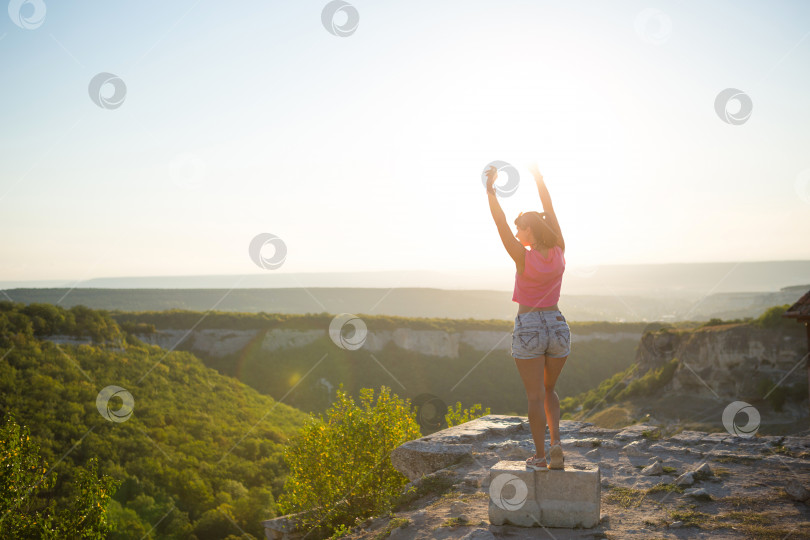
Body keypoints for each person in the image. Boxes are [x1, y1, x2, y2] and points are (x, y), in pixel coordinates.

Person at [485, 162, 571, 471]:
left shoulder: (523, 257)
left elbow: (499, 223)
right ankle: (557, 444)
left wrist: (490, 190)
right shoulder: (560, 248)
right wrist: (539, 179)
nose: (517, 232)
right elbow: (549, 207)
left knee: (534, 397)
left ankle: (539, 456)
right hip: (558, 326)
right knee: (549, 390)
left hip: (530, 326)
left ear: (531, 230)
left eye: (521, 227)